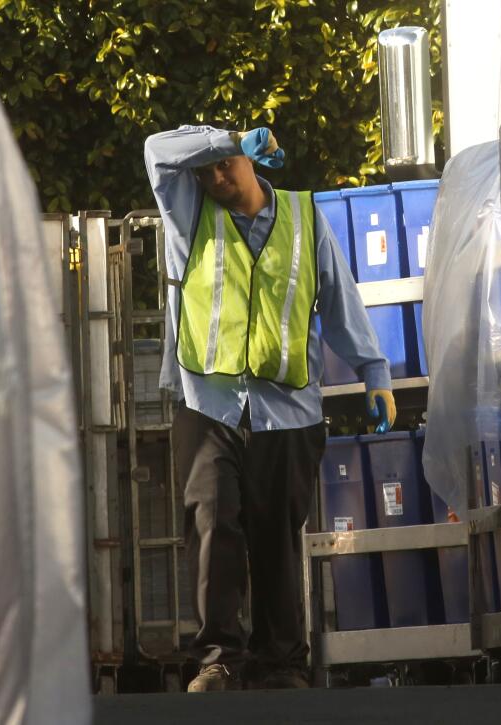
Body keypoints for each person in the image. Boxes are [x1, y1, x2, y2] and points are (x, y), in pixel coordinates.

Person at [143, 125, 397, 692]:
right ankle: (218, 660)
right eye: (206, 169)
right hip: (208, 406)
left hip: (288, 411)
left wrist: (373, 372)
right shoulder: (188, 215)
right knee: (213, 527)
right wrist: (227, 138)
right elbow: (157, 151)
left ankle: (282, 663)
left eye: (224, 166)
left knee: (277, 537)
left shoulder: (305, 220)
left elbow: (338, 296)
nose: (214, 178)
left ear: (254, 165)